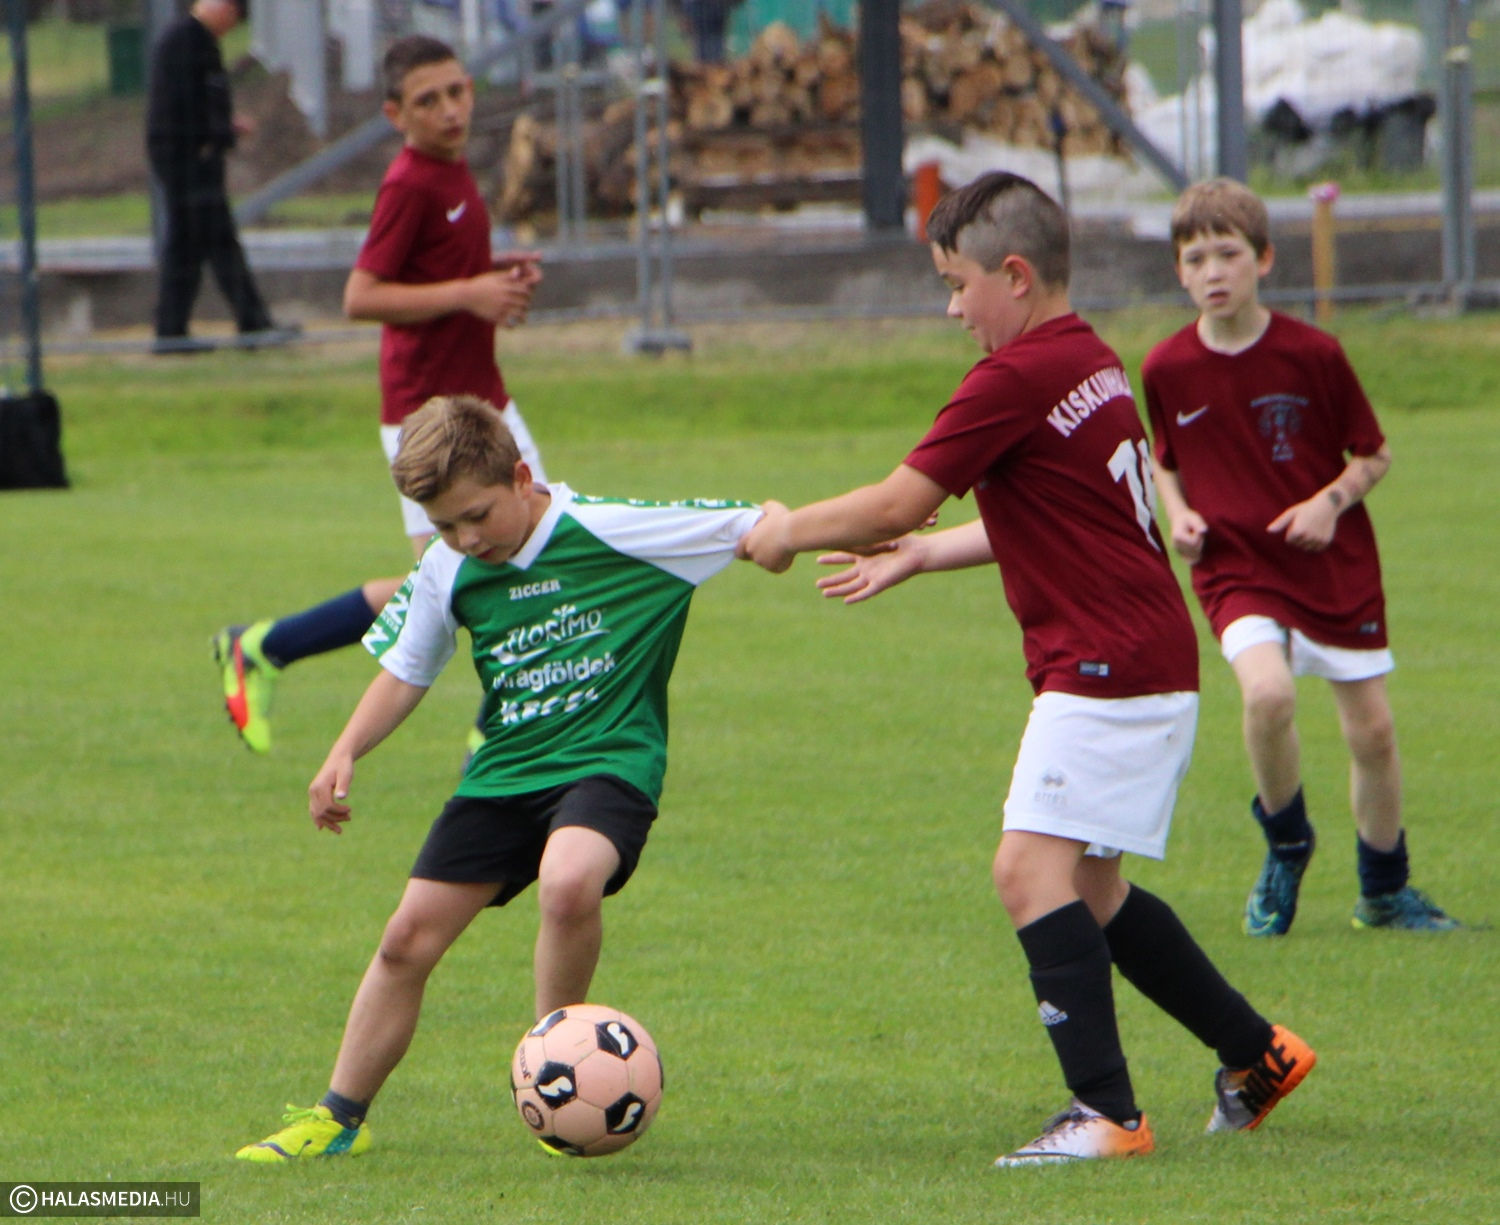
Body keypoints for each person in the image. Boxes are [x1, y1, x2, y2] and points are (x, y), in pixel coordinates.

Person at [740, 172, 1314, 1165]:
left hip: (1103, 665)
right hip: (1143, 655)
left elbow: (892, 501)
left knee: (1026, 871)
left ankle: (1107, 1112)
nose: (952, 309)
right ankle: (1257, 1052)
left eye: (957, 285)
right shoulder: (1087, 356)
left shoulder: (1011, 378)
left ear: (1013, 275)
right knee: (1089, 889)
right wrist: (927, 554)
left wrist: (786, 529)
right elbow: (1056, 513)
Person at [236, 394, 762, 1161]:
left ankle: (558, 1074)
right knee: (405, 940)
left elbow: (762, 525)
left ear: (521, 477)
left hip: (607, 757)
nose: (466, 538)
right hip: (505, 771)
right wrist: (345, 748)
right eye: (445, 525)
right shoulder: (447, 565)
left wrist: (878, 529)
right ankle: (338, 1117)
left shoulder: (606, 527)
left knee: (569, 881)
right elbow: (406, 670)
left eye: (476, 516)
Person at [1141, 177, 1460, 936]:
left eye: (1228, 254)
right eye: (1196, 259)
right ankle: (1287, 844)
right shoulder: (1165, 368)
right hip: (1235, 566)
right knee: (1268, 695)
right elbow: (1164, 460)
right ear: (1178, 272)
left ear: (1264, 259)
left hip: (1330, 563)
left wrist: (1328, 502)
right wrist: (1180, 517)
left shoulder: (1314, 354)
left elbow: (1374, 454)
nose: (1214, 272)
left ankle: (1384, 891)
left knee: (1372, 731)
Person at [212, 35, 545, 754]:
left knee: (524, 550)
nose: (449, 110)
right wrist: (470, 292)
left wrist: (493, 277)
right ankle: (497, 734)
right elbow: (360, 295)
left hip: (483, 401)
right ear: (396, 114)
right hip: (429, 416)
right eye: (428, 101)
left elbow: (440, 270)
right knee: (468, 573)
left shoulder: (453, 169)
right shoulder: (410, 183)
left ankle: (267, 648)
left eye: (456, 91)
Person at [146, 0, 290, 350]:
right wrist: (217, 133)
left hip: (192, 157)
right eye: (234, 16)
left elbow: (198, 99)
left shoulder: (196, 40)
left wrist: (224, 125)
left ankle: (171, 331)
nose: (232, 25)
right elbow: (184, 106)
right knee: (219, 242)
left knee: (188, 246)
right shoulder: (186, 41)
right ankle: (252, 324)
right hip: (189, 159)